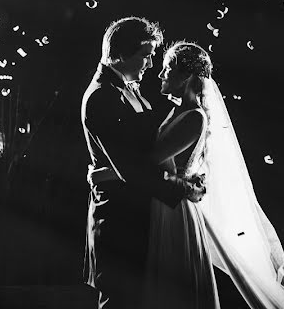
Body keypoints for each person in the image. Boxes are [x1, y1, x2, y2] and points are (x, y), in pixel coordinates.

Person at [144, 41, 284, 309]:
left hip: (175, 208)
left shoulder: (194, 117)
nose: (161, 75)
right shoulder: (178, 110)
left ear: (188, 76)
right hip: (167, 198)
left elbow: (154, 157)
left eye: (168, 68)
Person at [82, 17, 207, 309]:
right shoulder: (102, 96)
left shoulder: (128, 90)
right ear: (121, 54)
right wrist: (184, 189)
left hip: (143, 212)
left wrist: (107, 172)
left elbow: (143, 155)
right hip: (118, 217)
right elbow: (134, 169)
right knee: (121, 297)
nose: (151, 64)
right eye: (145, 56)